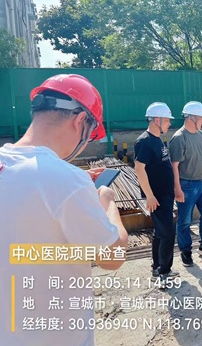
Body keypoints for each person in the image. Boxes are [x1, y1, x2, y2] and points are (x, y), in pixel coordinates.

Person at [0, 74, 128, 346]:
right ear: (80, 121)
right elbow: (112, 258)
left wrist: (76, 189)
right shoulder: (66, 180)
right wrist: (107, 201)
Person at [168, 101, 202, 267]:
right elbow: (174, 166)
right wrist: (177, 189)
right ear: (191, 118)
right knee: (185, 221)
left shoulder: (200, 135)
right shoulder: (179, 138)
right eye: (201, 118)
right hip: (187, 186)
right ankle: (185, 251)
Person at [134, 102, 178, 281]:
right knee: (168, 234)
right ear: (157, 120)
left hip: (165, 196)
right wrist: (150, 196)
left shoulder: (157, 139)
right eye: (167, 120)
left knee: (160, 233)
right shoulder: (144, 142)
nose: (169, 124)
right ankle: (163, 272)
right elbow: (139, 169)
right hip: (157, 198)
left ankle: (157, 267)